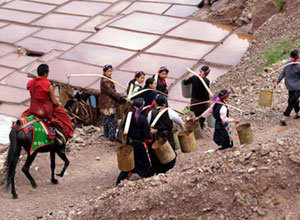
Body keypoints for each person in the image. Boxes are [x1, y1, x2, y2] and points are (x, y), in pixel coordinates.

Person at [22, 64, 74, 145]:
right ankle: (67, 135)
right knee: (65, 116)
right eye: (48, 73)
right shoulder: (48, 85)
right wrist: (59, 103)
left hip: (33, 109)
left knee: (23, 115)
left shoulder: (31, 82)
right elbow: (54, 101)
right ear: (46, 74)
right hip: (45, 111)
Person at [116, 98, 155, 185]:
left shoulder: (128, 117)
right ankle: (148, 181)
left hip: (130, 144)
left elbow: (123, 128)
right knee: (145, 163)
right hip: (140, 145)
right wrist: (151, 133)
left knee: (129, 163)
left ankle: (119, 182)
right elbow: (147, 135)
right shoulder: (143, 119)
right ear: (142, 108)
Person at [147, 94, 184, 174]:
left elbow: (147, 124)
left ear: (155, 103)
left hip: (155, 138)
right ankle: (168, 171)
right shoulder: (170, 112)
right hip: (167, 137)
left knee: (156, 155)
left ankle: (157, 171)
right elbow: (180, 121)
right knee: (169, 153)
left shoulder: (151, 113)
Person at [99, 64, 126, 141]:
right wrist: (121, 97)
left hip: (106, 103)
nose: (110, 73)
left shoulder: (107, 79)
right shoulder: (105, 80)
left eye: (111, 71)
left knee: (106, 120)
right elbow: (111, 92)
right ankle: (111, 137)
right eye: (108, 71)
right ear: (105, 72)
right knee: (112, 121)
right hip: (108, 104)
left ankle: (107, 135)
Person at [274, 50, 300, 126]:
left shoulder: (287, 64)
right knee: (292, 102)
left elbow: (282, 74)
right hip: (297, 87)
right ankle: (284, 118)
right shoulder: (298, 66)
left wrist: (277, 82)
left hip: (289, 86)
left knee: (294, 100)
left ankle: (297, 114)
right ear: (297, 56)